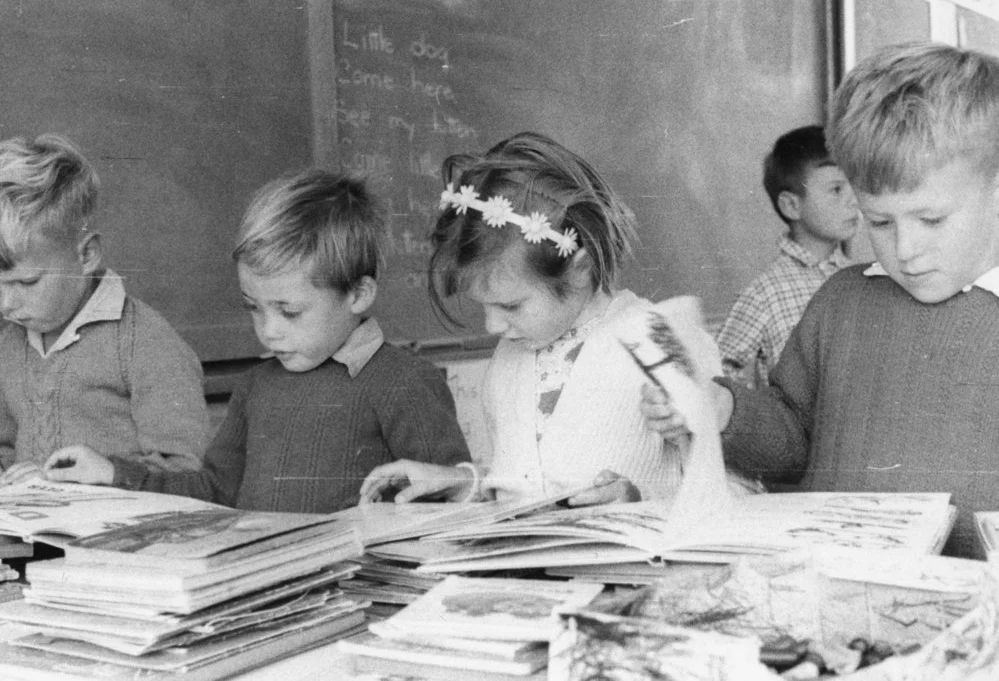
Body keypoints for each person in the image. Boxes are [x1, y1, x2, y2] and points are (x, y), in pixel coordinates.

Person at [642, 41, 999, 559]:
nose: (906, 249)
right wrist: (720, 408)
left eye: (931, 219)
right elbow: (790, 441)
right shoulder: (840, 303)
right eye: (879, 222)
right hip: (831, 594)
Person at [359, 132, 753, 507]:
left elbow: (736, 493)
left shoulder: (660, 339)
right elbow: (523, 490)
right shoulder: (508, 360)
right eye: (485, 306)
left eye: (511, 307)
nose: (493, 326)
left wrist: (637, 502)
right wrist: (465, 483)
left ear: (580, 270)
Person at [44, 169, 472, 513]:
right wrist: (113, 473)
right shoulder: (256, 387)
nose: (268, 330)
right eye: (254, 307)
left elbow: (445, 503)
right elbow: (214, 490)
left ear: (358, 294)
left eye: (289, 311)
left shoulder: (405, 382)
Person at [0, 134, 208, 485]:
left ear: (86, 255)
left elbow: (185, 469)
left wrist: (102, 477)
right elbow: (5, 446)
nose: (6, 304)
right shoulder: (9, 341)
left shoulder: (143, 341)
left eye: (27, 282)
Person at [715, 125, 858, 388]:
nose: (853, 200)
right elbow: (717, 369)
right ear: (791, 205)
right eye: (837, 189)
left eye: (853, 185)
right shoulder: (765, 292)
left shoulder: (858, 279)